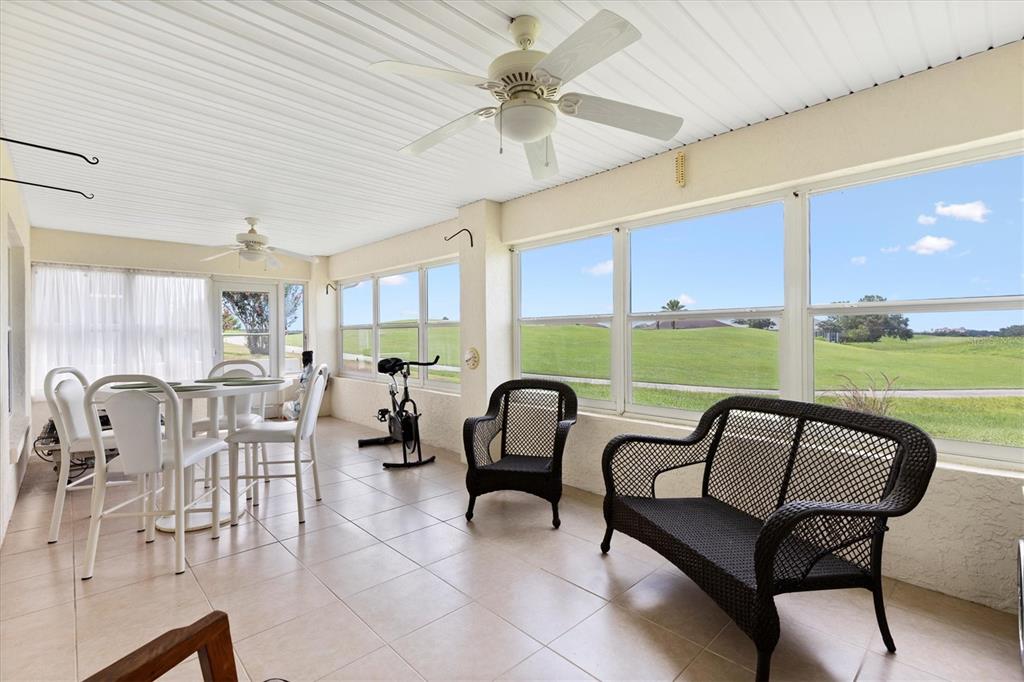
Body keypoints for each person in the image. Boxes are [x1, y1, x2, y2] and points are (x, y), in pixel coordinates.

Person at [283, 350, 314, 420]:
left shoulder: (309, 370)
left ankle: (290, 416)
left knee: (287, 406)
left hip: (305, 394)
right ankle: (290, 415)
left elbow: (306, 383)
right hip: (304, 395)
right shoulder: (307, 370)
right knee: (289, 405)